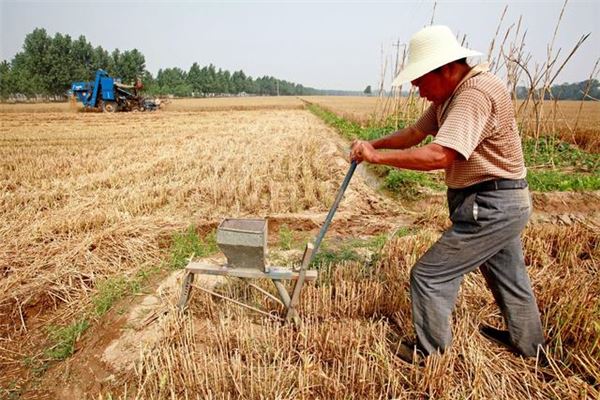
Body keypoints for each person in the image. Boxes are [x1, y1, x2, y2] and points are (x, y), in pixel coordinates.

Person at [350, 25, 545, 363]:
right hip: (499, 201)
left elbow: (440, 155)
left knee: (429, 275)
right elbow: (414, 133)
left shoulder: (475, 94)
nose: (415, 86)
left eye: (419, 78)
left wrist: (377, 158)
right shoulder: (449, 97)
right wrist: (372, 144)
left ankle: (430, 355)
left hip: (491, 204)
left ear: (445, 69)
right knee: (510, 279)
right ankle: (531, 349)